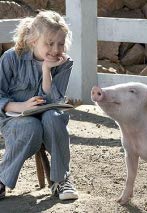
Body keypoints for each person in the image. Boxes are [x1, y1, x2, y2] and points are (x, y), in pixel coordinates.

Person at [0, 10, 78, 201]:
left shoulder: (64, 64)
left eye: (60, 43)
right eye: (49, 43)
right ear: (33, 40)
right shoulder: (11, 58)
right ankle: (1, 180)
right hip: (13, 118)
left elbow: (54, 100)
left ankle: (61, 180)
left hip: (47, 115)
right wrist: (20, 106)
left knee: (54, 117)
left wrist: (46, 70)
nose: (55, 49)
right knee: (30, 127)